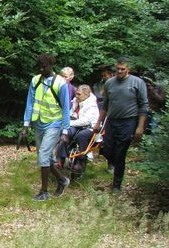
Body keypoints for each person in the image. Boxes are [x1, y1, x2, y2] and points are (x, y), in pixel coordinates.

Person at [92, 57, 149, 194]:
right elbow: (105, 105)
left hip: (128, 121)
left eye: (122, 69)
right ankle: (114, 165)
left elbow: (144, 105)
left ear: (128, 69)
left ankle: (116, 184)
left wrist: (140, 127)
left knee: (120, 152)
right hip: (112, 121)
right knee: (106, 149)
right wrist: (98, 122)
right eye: (118, 69)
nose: (120, 71)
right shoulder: (110, 83)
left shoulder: (137, 83)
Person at [21, 53, 71, 201]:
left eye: (45, 66)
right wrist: (26, 125)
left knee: (43, 154)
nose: (42, 69)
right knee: (45, 157)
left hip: (54, 123)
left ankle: (44, 192)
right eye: (40, 67)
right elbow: (30, 103)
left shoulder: (60, 83)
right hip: (39, 123)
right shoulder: (35, 80)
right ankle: (62, 180)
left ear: (51, 65)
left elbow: (66, 108)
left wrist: (65, 130)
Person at [58, 85, 99, 176]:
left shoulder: (91, 105)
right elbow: (71, 112)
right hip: (77, 125)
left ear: (86, 95)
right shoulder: (77, 101)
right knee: (66, 132)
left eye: (79, 94)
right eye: (76, 93)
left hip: (90, 127)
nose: (76, 96)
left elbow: (85, 121)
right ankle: (61, 158)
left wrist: (68, 122)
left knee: (82, 136)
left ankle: (80, 160)